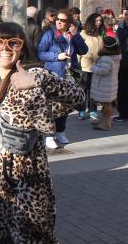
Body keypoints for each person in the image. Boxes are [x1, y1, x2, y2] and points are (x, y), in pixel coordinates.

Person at [0, 22, 85, 244]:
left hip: (28, 175)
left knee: (32, 240)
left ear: (22, 47)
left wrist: (36, 83)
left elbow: (78, 97)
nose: (4, 48)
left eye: (13, 43)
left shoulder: (35, 74)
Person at [37, 9, 88, 148]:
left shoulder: (73, 35)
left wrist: (76, 35)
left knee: (65, 105)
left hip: (69, 74)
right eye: (58, 19)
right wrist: (56, 57)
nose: (59, 22)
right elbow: (40, 53)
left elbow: (84, 50)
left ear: (69, 23)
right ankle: (49, 135)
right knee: (51, 106)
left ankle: (60, 132)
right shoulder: (49, 35)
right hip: (53, 74)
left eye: (63, 20)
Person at [89, 36, 122, 131]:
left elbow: (103, 71)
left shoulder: (106, 58)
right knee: (106, 104)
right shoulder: (114, 56)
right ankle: (104, 120)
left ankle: (106, 123)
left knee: (106, 105)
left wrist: (93, 67)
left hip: (105, 85)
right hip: (109, 84)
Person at [78, 13, 105, 120]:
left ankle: (93, 110)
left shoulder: (100, 34)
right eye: (96, 21)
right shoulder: (83, 34)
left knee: (94, 89)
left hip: (97, 65)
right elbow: (78, 49)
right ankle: (81, 110)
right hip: (85, 65)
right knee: (83, 89)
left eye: (100, 21)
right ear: (91, 22)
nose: (99, 23)